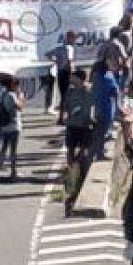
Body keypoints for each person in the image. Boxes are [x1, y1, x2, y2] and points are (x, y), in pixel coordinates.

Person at [60, 69, 96, 212]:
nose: (71, 80)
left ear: (81, 79)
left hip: (86, 126)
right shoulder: (70, 92)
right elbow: (65, 105)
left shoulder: (90, 91)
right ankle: (70, 176)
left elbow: (96, 106)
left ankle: (81, 174)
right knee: (70, 149)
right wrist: (63, 116)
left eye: (73, 78)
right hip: (72, 125)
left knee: (84, 152)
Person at [0, 74, 23, 179]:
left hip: (4, 125)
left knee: (3, 148)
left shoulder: (3, 94)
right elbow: (20, 107)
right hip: (13, 125)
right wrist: (20, 96)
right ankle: (13, 172)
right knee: (13, 150)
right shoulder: (12, 95)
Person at [46, 31, 80, 121]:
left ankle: (62, 117)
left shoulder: (59, 47)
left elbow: (48, 54)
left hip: (60, 72)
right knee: (68, 96)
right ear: (69, 38)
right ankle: (65, 117)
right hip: (66, 72)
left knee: (64, 95)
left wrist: (56, 61)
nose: (75, 40)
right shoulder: (69, 48)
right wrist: (70, 72)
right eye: (74, 38)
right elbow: (69, 61)